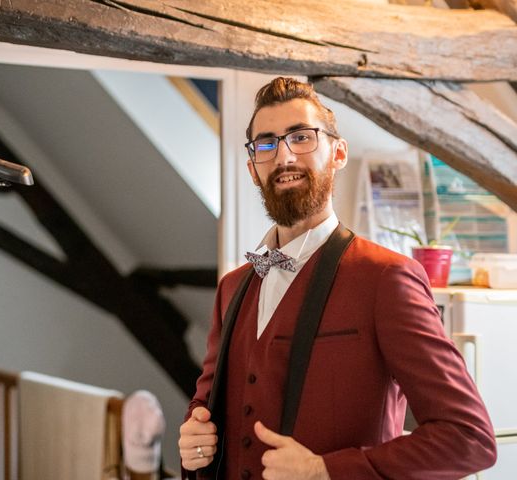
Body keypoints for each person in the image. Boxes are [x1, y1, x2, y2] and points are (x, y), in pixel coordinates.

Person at [178, 77, 496, 480]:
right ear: (253, 168)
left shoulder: (386, 278)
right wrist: (194, 433)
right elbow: (209, 403)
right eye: (267, 143)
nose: (285, 156)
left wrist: (324, 471)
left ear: (338, 153)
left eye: (301, 137)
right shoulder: (232, 287)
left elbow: (469, 438)